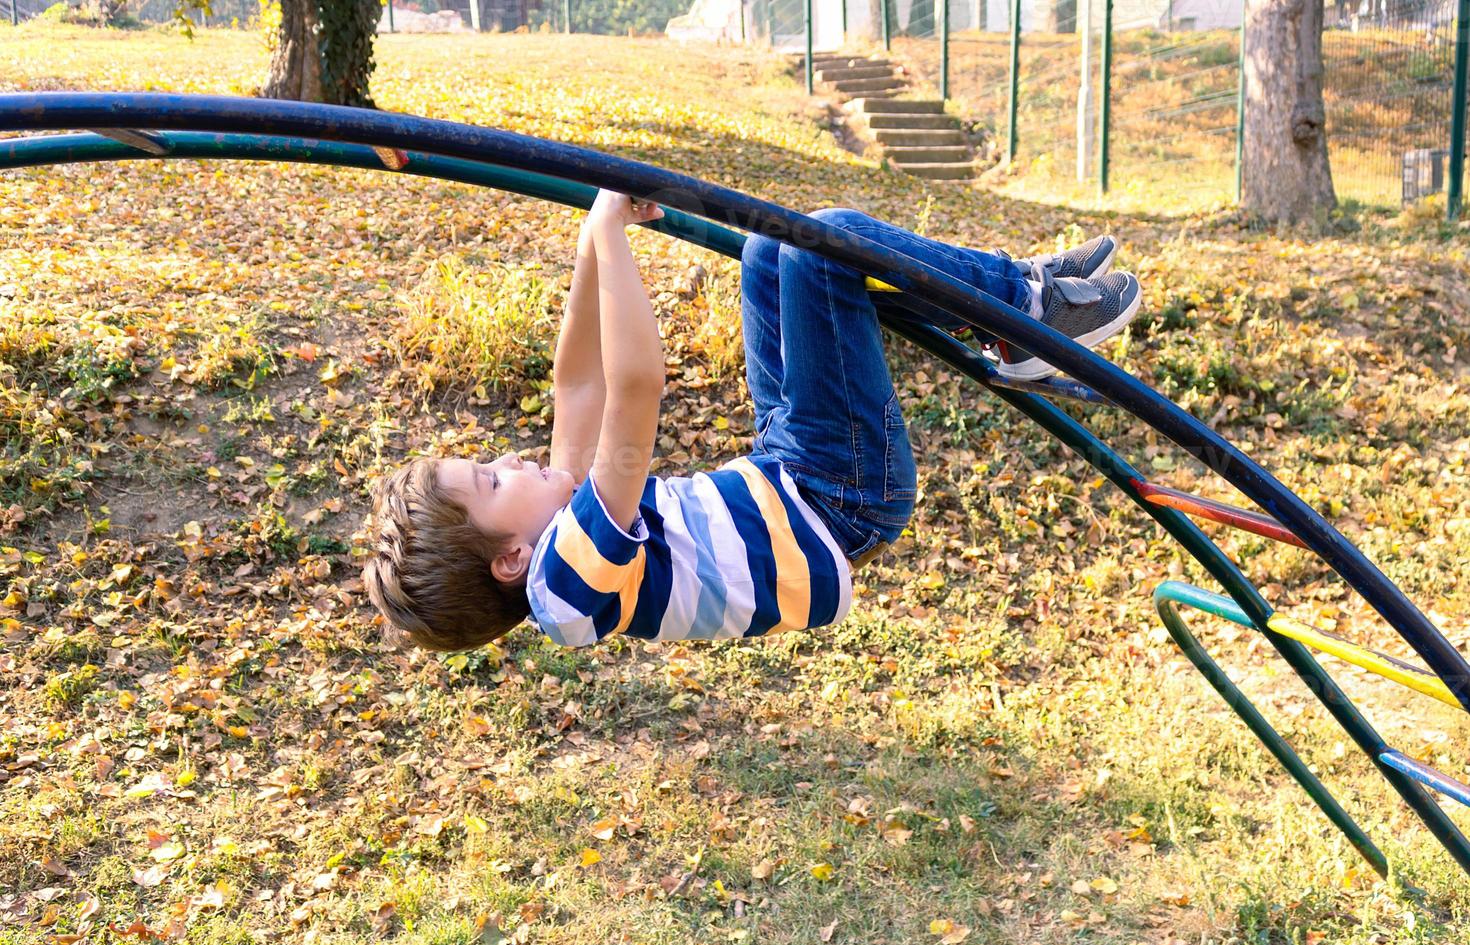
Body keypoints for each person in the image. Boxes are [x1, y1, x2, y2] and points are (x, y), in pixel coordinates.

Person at [363, 192, 1140, 651]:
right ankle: (1024, 311)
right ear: (509, 559)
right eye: (492, 479)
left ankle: (1012, 304)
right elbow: (634, 393)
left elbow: (580, 387)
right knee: (818, 245)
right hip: (838, 497)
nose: (510, 460)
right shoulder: (567, 582)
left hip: (790, 466)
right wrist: (609, 234)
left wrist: (587, 249)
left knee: (775, 244)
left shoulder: (555, 520)